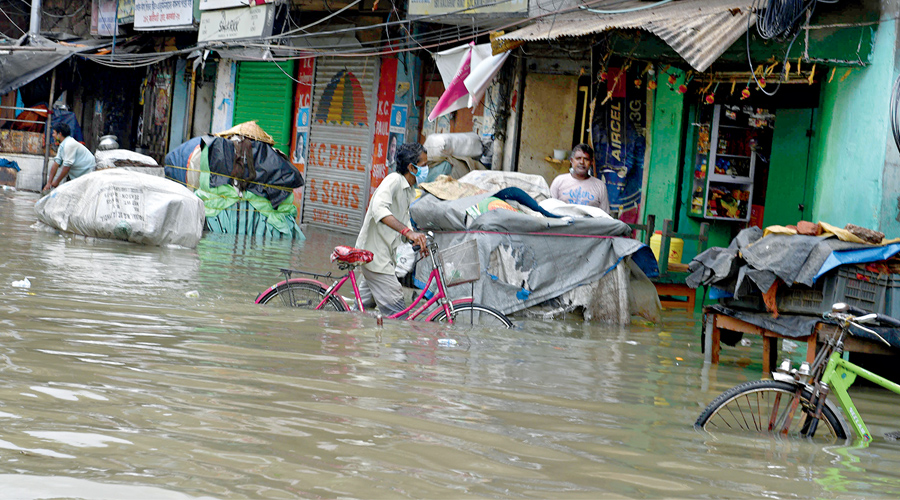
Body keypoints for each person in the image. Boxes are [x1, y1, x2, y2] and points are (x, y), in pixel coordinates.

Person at [355, 142, 429, 316]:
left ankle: (352, 339)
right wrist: (407, 232)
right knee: (398, 317)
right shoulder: (394, 180)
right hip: (376, 258)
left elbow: (402, 222)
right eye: (424, 165)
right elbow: (379, 209)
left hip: (380, 258)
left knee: (359, 312)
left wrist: (415, 239)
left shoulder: (408, 190)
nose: (428, 170)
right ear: (412, 167)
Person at [549, 143, 610, 213]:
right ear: (571, 160)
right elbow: (550, 210)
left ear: (591, 162)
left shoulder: (600, 186)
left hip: (590, 224)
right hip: (562, 223)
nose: (582, 162)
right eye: (578, 158)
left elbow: (605, 217)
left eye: (586, 159)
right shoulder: (559, 181)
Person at [43, 123, 95, 191]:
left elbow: (67, 167)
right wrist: (49, 183)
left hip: (87, 172)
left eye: (54, 133)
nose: (53, 135)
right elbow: (56, 164)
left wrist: (56, 182)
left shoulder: (69, 144)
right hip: (78, 175)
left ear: (60, 134)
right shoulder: (62, 145)